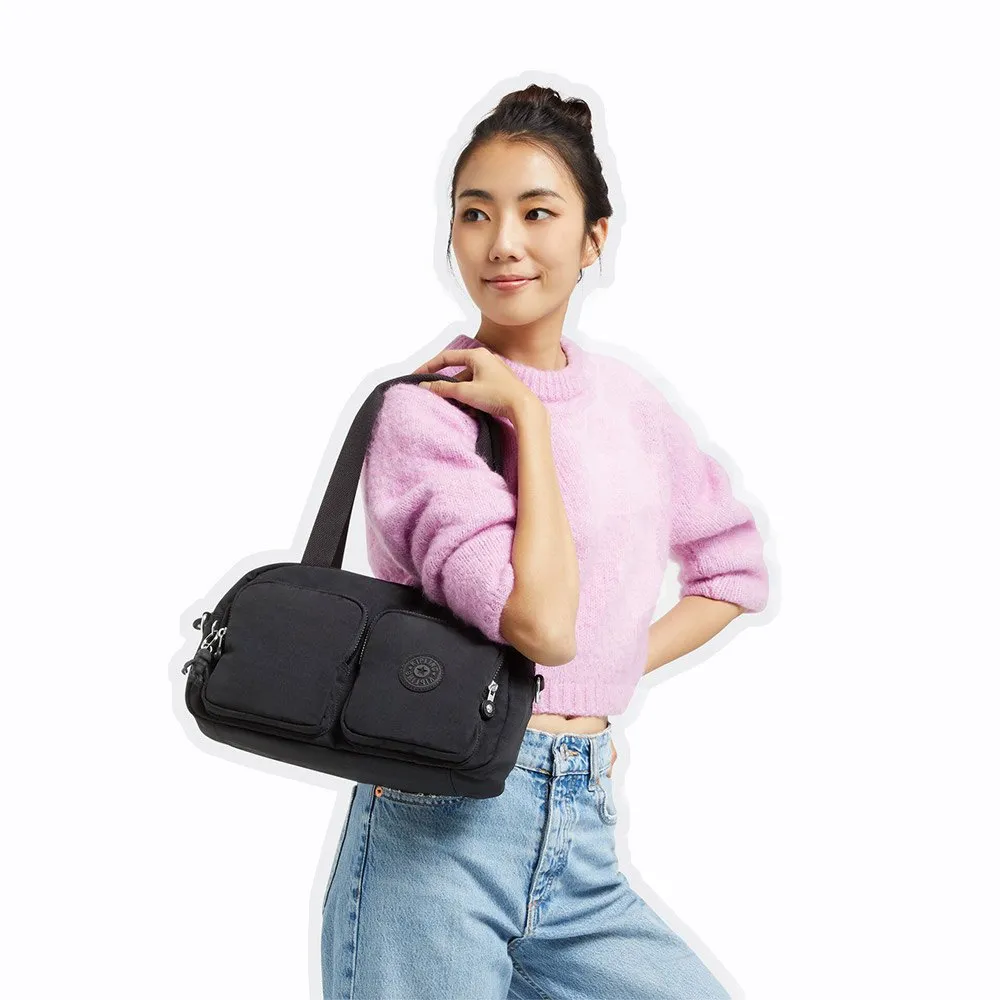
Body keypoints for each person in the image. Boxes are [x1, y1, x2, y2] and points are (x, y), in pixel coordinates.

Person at [320, 83, 769, 1000]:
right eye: (474, 213)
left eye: (537, 212)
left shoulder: (632, 407)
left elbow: (732, 571)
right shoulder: (427, 416)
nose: (503, 243)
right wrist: (523, 414)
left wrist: (610, 668)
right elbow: (540, 626)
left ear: (594, 237)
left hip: (582, 828)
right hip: (437, 830)